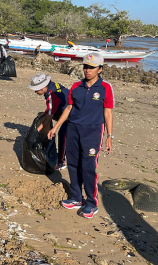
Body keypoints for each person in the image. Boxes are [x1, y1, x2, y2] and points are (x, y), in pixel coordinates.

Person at [48, 52, 114, 219]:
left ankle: (91, 203)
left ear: (100, 69)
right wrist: (56, 127)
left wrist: (109, 136)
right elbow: (68, 109)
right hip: (73, 129)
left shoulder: (105, 88)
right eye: (85, 66)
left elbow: (108, 113)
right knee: (72, 165)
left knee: (88, 167)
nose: (87, 70)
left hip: (92, 131)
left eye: (91, 67)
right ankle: (76, 197)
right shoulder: (76, 86)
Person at [28, 73, 70, 170]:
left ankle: (61, 162)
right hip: (66, 109)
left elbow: (48, 119)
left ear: (42, 88)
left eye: (36, 90)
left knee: (62, 135)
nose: (35, 92)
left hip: (73, 114)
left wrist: (36, 131)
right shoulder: (53, 85)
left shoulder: (51, 96)